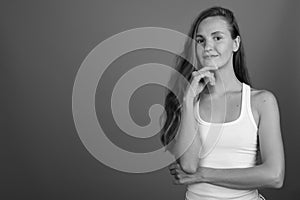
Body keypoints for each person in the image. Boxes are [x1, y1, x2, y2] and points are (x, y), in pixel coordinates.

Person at [160, 6, 285, 200]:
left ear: (235, 43)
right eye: (201, 40)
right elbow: (189, 166)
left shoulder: (262, 101)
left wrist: (204, 174)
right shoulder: (188, 101)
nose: (207, 47)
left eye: (217, 38)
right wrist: (188, 99)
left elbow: (274, 176)